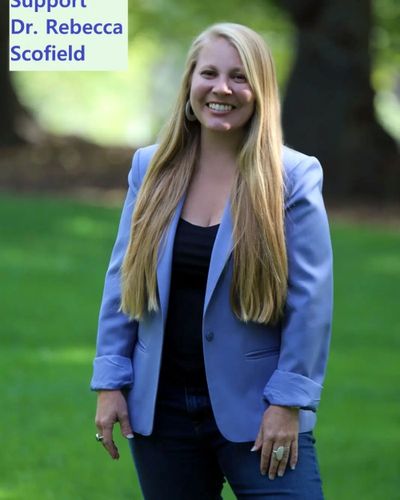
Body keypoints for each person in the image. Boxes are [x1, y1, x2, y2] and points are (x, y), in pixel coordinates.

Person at [91, 22, 333, 500]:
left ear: (260, 89)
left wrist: (288, 402)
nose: (222, 89)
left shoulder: (294, 176)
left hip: (260, 411)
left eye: (239, 77)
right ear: (190, 84)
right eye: (210, 73)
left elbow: (310, 302)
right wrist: (110, 381)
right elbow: (123, 280)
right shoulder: (150, 166)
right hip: (160, 415)